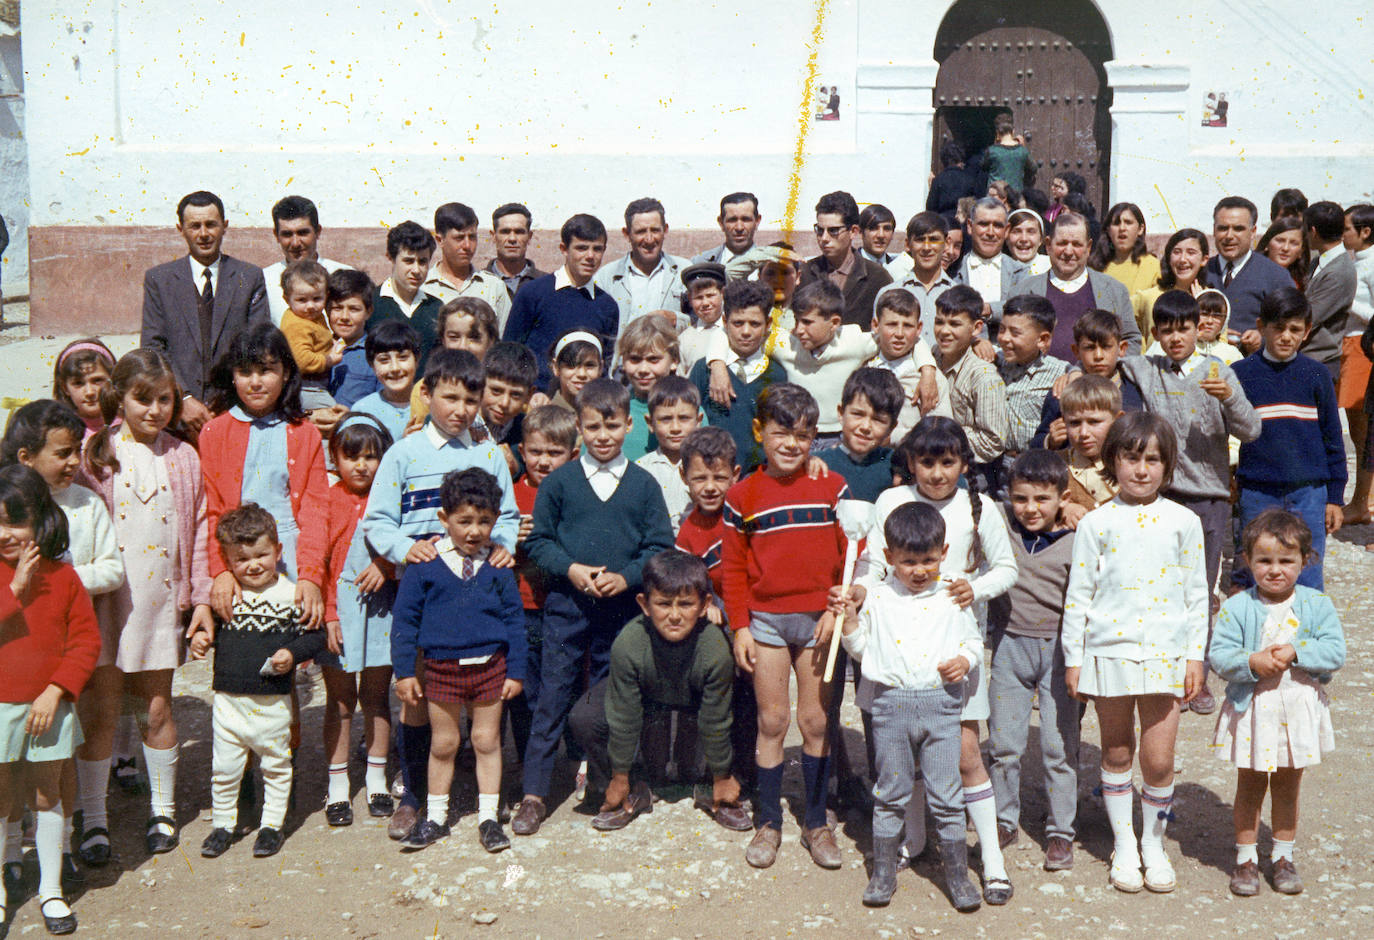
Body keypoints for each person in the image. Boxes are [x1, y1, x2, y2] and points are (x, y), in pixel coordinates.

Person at [854, 417, 1017, 904]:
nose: (938, 473)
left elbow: (1006, 568)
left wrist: (975, 587)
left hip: (953, 643)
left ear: (964, 464)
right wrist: (859, 591)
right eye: (926, 462)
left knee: (965, 758)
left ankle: (990, 860)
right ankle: (914, 840)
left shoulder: (978, 505)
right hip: (899, 647)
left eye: (948, 463)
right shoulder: (891, 502)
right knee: (906, 755)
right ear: (910, 463)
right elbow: (874, 565)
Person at [361, 348, 520, 839]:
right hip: (421, 582)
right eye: (450, 397)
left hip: (473, 583)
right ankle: (413, 795)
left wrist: (503, 548)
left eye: (471, 400)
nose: (461, 410)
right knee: (417, 693)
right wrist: (408, 550)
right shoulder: (403, 453)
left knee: (466, 699)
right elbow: (378, 519)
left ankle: (472, 797)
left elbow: (508, 517)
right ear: (425, 395)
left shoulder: (487, 453)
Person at [513, 378, 675, 836]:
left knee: (611, 707)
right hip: (567, 605)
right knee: (553, 697)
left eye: (611, 426)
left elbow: (659, 545)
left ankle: (613, 786)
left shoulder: (643, 484)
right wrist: (571, 569)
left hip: (621, 611)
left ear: (628, 424)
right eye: (592, 427)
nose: (602, 436)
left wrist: (626, 575)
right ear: (578, 429)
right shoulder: (561, 483)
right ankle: (534, 793)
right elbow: (540, 542)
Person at [1062, 413, 1208, 894]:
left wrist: (1194, 656)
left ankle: (1153, 841)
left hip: (1166, 653)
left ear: (1167, 466)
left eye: (1153, 459)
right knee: (1117, 749)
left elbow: (1195, 594)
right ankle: (1124, 844)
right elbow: (1079, 596)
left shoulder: (1184, 521)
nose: (1141, 470)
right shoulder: (1097, 523)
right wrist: (1074, 657)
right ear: (1113, 462)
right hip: (1109, 651)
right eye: (1131, 458)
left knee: (1160, 760)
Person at [81, 349, 213, 857]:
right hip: (107, 604)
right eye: (142, 399)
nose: (155, 410)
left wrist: (199, 598)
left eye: (164, 399)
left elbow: (199, 528)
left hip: (159, 603)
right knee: (102, 712)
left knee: (156, 709)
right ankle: (94, 818)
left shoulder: (182, 456)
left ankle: (163, 809)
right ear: (119, 397)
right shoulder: (97, 455)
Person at [721, 384, 847, 871]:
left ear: (815, 436)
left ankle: (816, 821)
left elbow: (847, 557)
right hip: (767, 623)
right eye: (780, 433)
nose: (792, 444)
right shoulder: (741, 495)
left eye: (803, 435)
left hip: (819, 621)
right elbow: (733, 570)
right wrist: (740, 628)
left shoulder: (832, 487)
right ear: (759, 432)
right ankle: (769, 821)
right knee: (772, 722)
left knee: (815, 722)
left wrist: (836, 610)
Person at [837, 502, 982, 911]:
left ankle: (957, 876)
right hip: (890, 707)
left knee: (947, 793)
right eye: (908, 561)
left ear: (944, 552)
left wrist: (965, 661)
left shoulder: (952, 596)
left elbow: (973, 644)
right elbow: (864, 653)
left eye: (928, 560)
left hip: (940, 706)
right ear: (889, 558)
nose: (919, 570)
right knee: (891, 791)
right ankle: (883, 872)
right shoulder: (879, 599)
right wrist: (849, 622)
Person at [1122, 290, 1262, 713]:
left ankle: (1194, 676)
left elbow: (1252, 429)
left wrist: (1228, 398)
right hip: (1163, 497)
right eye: (1165, 330)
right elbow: (1108, 359)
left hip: (1209, 497)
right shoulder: (1148, 369)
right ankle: (1163, 671)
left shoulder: (1219, 370)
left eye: (1182, 328)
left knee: (1198, 589)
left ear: (1198, 327)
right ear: (1156, 333)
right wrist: (1071, 376)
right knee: (1161, 585)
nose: (1174, 337)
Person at [2, 402, 122, 878]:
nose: (74, 462)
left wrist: (60, 576)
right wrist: (17, 588)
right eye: (63, 452)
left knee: (56, 768)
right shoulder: (7, 505)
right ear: (27, 457)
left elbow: (110, 570)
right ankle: (13, 855)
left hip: (60, 657)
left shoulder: (84, 504)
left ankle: (64, 850)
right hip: (10, 682)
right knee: (8, 781)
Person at [1209, 509, 1344, 898]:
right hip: (1254, 709)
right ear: (1248, 561)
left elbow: (1335, 651)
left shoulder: (1317, 605)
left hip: (1296, 708)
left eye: (1286, 560)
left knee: (1288, 784)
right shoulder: (1238, 607)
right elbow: (1220, 655)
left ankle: (1283, 856)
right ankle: (1245, 858)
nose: (1275, 570)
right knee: (1250, 784)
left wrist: (1298, 652)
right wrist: (1251, 661)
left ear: (1305, 560)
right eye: (1264, 560)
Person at [390, 468, 525, 852]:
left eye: (484, 522)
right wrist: (404, 673)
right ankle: (434, 817)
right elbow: (405, 622)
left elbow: (514, 622)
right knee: (445, 742)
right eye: (464, 521)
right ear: (444, 519)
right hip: (442, 670)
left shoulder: (498, 567)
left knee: (485, 740)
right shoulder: (426, 565)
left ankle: (488, 818)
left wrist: (515, 671)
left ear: (495, 521)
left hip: (489, 669)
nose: (473, 531)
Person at [568, 550, 747, 831]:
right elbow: (624, 715)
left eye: (686, 604)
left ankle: (717, 786)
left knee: (750, 705)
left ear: (704, 605)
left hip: (694, 699)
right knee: (586, 716)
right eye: (663, 604)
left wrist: (721, 772)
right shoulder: (630, 642)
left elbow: (715, 719)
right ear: (644, 604)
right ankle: (625, 789)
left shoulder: (714, 648)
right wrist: (619, 774)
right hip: (648, 696)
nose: (674, 616)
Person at [189, 504, 325, 860]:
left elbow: (315, 636)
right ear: (228, 560)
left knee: (276, 766)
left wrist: (292, 654)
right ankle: (223, 825)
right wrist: (203, 641)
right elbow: (215, 631)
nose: (253, 565)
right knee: (225, 768)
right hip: (229, 702)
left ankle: (271, 826)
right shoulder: (227, 595)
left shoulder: (291, 594)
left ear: (278, 552)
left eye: (262, 555)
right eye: (242, 558)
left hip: (271, 702)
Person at [0, 464, 100, 936]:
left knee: (46, 792)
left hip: (48, 707)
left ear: (41, 520)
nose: (6, 534)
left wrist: (56, 690)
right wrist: (13, 590)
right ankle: (2, 883)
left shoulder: (63, 578)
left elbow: (85, 642)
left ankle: (52, 890)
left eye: (15, 521)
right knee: (1, 795)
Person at [199, 323, 330, 630]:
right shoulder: (214, 432)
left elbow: (316, 510)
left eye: (267, 370)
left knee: (292, 657)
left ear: (286, 373)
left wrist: (311, 576)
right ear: (233, 376)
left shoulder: (304, 433)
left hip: (291, 557)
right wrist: (220, 571)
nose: (255, 382)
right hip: (240, 562)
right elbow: (211, 510)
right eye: (245, 372)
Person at [706, 280, 936, 452]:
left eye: (807, 322)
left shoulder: (854, 340)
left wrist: (927, 372)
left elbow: (906, 337)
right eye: (796, 320)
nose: (798, 329)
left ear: (834, 323)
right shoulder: (786, 343)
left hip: (842, 438)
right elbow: (725, 331)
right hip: (799, 436)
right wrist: (717, 365)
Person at [986, 450, 1078, 871]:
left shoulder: (1080, 535)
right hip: (1010, 645)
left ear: (1062, 496)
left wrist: (1077, 509)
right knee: (1005, 744)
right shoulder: (1001, 523)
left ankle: (1061, 831)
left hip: (1059, 650)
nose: (1030, 508)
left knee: (1058, 748)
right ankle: (1003, 819)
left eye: (1042, 499)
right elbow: (970, 500)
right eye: (1021, 498)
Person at [1230, 287, 1344, 591]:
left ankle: (1307, 629)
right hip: (1258, 490)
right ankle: (1251, 627)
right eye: (1278, 328)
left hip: (1308, 491)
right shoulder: (1241, 374)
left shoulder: (1317, 375)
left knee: (1306, 565)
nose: (1285, 336)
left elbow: (1333, 438)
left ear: (1306, 332)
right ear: (1260, 327)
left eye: (1295, 330)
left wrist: (1334, 497)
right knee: (1253, 563)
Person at [319, 415, 397, 827]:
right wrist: (330, 614)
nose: (361, 466)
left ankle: (377, 779)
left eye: (371, 457)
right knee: (341, 701)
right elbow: (322, 561)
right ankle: (336, 787)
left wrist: (386, 563)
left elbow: (409, 544)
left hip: (383, 606)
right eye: (351, 457)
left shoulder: (390, 499)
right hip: (341, 612)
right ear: (335, 459)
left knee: (376, 697)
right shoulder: (327, 499)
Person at [140, 190, 269, 432]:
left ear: (225, 226)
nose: (203, 234)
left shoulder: (248, 276)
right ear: (181, 229)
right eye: (194, 226)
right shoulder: (160, 279)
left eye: (211, 225)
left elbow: (257, 345)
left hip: (234, 409)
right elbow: (152, 348)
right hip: (177, 416)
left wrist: (227, 400)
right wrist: (184, 399)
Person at [508, 405, 580, 766]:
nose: (544, 461)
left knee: (567, 684)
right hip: (523, 608)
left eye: (555, 453)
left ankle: (576, 759)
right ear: (522, 452)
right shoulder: (510, 495)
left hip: (566, 606)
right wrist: (509, 536)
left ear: (573, 454)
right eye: (536, 451)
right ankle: (529, 764)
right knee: (527, 690)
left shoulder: (576, 493)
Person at [503, 214, 620, 391]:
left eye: (597, 249)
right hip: (535, 404)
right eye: (581, 248)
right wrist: (528, 394)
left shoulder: (607, 305)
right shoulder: (533, 293)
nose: (590, 256)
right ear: (564, 249)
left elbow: (603, 368)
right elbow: (510, 354)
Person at [1012, 212, 1141, 361]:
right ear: (1048, 245)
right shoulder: (1023, 291)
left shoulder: (1114, 291)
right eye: (1062, 243)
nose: (1068, 251)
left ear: (1088, 247)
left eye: (1077, 244)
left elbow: (1131, 341)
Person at [690, 280, 784, 474]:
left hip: (759, 479)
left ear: (767, 324)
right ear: (725, 322)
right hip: (712, 477)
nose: (746, 332)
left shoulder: (777, 374)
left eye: (755, 324)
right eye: (738, 323)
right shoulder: (704, 369)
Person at [932, 286, 1010, 491]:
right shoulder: (933, 355)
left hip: (971, 476)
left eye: (955, 324)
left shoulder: (984, 377)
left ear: (976, 328)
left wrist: (941, 436)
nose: (944, 331)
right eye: (939, 322)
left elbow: (993, 441)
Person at [1030, 309, 1141, 452]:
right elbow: (1036, 443)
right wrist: (1050, 441)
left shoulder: (1137, 390)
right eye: (1089, 348)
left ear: (1122, 348)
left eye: (1106, 346)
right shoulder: (1062, 392)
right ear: (1076, 351)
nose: (1098, 356)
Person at [1206, 196, 1295, 353]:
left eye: (1238, 229)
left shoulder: (1276, 276)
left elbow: (1292, 326)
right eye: (1222, 228)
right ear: (1214, 230)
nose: (1229, 236)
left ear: (1253, 232)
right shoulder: (1201, 271)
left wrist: (1263, 339)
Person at [798, 191, 893, 328]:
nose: (824, 238)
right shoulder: (804, 274)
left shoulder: (877, 278)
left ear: (853, 231)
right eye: (819, 230)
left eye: (833, 230)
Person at [867, 287, 950, 444]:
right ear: (876, 325)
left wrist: (893, 437)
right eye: (891, 324)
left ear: (919, 328)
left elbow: (941, 432)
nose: (899, 333)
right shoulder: (863, 365)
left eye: (907, 326)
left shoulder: (932, 380)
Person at [595, 197, 690, 335]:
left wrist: (676, 319)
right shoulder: (606, 277)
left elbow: (701, 322)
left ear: (666, 230)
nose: (649, 239)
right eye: (641, 231)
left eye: (655, 230)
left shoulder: (684, 271)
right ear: (627, 234)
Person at [996, 295, 1068, 469]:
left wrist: (1074, 374)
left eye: (1015, 333)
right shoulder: (994, 361)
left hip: (1035, 466)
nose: (1005, 338)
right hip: (995, 465)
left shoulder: (1061, 373)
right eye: (1001, 329)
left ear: (1042, 339)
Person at [262, 195, 351, 326]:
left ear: (318, 232)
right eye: (287, 234)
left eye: (303, 233)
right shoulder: (264, 280)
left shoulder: (344, 275)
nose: (295, 243)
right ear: (276, 235)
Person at [422, 202, 512, 330]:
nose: (467, 246)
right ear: (440, 240)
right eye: (459, 238)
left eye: (472, 237)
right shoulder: (423, 287)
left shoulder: (493, 287)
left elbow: (504, 342)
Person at [819, 367, 902, 503]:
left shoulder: (896, 464)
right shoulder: (818, 464)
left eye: (878, 420)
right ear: (841, 413)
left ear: (891, 427)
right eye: (858, 414)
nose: (865, 427)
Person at [365, 221, 443, 365]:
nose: (416, 270)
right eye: (409, 261)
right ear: (390, 257)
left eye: (422, 262)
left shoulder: (437, 308)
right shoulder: (370, 303)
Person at [1300, 200, 1358, 387]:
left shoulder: (1340, 271)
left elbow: (1310, 316)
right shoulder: (1318, 262)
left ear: (1313, 231)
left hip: (1320, 360)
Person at [882, 211, 957, 351]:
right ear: (907, 244)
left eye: (934, 240)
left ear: (946, 243)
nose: (927, 248)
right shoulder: (889, 293)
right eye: (920, 240)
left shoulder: (958, 295)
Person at [1057, 375, 1124, 523]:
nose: (1083, 433)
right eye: (1074, 423)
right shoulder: (1055, 465)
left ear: (1118, 420)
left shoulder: (1132, 464)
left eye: (1094, 422)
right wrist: (1061, 508)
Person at [954, 197, 1027, 332]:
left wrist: (990, 309)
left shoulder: (1020, 272)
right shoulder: (955, 269)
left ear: (1006, 230)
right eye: (983, 224)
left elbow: (1024, 309)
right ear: (970, 226)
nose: (990, 233)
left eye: (998, 226)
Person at [635, 375, 701, 523]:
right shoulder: (640, 470)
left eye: (684, 418)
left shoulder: (707, 468)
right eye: (665, 419)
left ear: (698, 421)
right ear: (650, 423)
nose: (675, 428)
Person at [1344, 204, 1374, 525]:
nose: (1342, 235)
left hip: (1362, 346)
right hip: (1349, 345)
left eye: (1346, 229)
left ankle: (1363, 501)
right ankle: (1362, 499)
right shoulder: (1356, 261)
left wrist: (1345, 299)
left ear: (1365, 232)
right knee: (1357, 429)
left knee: (1365, 429)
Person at [278, 259, 340, 412]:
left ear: (326, 295)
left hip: (316, 382)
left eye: (317, 299)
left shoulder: (312, 317)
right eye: (302, 300)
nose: (310, 306)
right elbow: (302, 360)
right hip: (306, 386)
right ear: (287, 299)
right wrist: (328, 360)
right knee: (332, 414)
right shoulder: (296, 325)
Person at [618, 316, 682, 462]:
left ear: (674, 361)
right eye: (635, 359)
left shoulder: (689, 410)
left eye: (653, 360)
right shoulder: (613, 409)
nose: (643, 369)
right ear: (623, 361)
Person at [1132, 227, 1212, 340]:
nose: (1182, 259)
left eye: (1191, 252)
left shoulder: (1212, 299)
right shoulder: (1148, 297)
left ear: (1204, 260)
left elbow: (1219, 342)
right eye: (1176, 252)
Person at [351, 320, 421, 443]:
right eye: (384, 360)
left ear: (417, 359)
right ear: (372, 365)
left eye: (403, 357)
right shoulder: (364, 411)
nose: (395, 368)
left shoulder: (434, 404)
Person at [325, 269, 381, 409]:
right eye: (337, 308)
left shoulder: (377, 354)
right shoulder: (314, 348)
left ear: (368, 312)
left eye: (354, 309)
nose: (344, 316)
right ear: (327, 310)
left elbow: (384, 406)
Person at [691, 192, 775, 280]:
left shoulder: (771, 264)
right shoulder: (699, 264)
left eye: (746, 219)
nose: (739, 227)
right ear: (721, 222)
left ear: (757, 221)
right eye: (732, 220)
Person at [1090, 202, 1161, 298]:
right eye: (1116, 223)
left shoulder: (1152, 266)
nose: (1122, 228)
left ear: (1140, 229)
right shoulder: (1094, 266)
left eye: (1128, 222)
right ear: (1108, 230)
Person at [50, 340, 115, 441]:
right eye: (78, 383)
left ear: (112, 379)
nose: (89, 392)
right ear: (65, 388)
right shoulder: (61, 431)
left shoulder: (128, 423)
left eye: (97, 380)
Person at [485, 202, 547, 299]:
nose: (512, 239)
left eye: (519, 232)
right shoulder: (479, 283)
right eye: (505, 232)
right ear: (493, 236)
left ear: (529, 237)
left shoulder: (547, 284)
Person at [677, 262, 728, 377]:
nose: (705, 303)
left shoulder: (734, 330)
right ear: (690, 299)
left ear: (723, 293)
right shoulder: (685, 339)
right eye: (699, 298)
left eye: (710, 295)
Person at [546, 329, 604, 412]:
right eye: (571, 365)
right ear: (555, 367)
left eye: (589, 365)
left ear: (601, 367)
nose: (581, 374)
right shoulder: (543, 417)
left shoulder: (611, 416)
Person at [983, 113, 1036, 192]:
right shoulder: (1022, 151)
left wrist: (995, 143)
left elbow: (984, 167)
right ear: (1013, 131)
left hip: (996, 197)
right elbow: (1033, 168)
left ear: (997, 132)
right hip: (1015, 196)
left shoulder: (991, 151)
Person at [926, 140, 980, 216]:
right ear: (961, 159)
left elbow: (931, 208)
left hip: (943, 222)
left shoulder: (938, 180)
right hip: (963, 220)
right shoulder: (970, 179)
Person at [1257, 216, 1309, 290]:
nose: (1285, 248)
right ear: (1267, 244)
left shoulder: (1301, 284)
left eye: (1294, 243)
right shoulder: (1251, 275)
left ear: (1301, 251)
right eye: (1280, 241)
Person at [1004, 208, 1050, 277]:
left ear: (1040, 239)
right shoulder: (998, 270)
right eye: (1017, 231)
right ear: (1007, 237)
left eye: (1031, 232)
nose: (1024, 239)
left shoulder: (1052, 268)